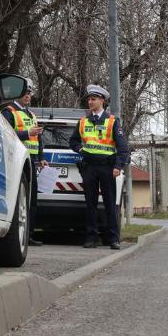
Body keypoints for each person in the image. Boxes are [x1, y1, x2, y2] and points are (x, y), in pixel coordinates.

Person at [68, 85, 130, 250]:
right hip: (89, 168)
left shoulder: (112, 122)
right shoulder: (82, 122)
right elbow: (73, 141)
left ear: (102, 101)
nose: (90, 102)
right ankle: (91, 238)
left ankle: (113, 239)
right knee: (90, 204)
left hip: (107, 168)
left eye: (93, 99)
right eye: (89, 99)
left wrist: (118, 166)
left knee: (110, 204)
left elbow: (123, 147)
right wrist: (80, 149)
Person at [1, 79, 48, 247]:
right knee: (21, 199)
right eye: (25, 92)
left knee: (31, 200)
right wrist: (27, 133)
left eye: (30, 93)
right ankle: (21, 235)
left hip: (33, 161)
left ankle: (29, 234)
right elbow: (6, 134)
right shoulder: (9, 111)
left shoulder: (31, 114)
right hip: (17, 162)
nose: (28, 96)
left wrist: (42, 157)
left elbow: (38, 139)